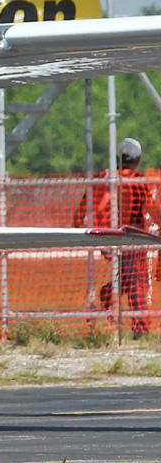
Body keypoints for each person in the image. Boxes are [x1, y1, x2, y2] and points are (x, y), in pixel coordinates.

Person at [72, 137, 161, 336]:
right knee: (138, 281)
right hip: (132, 236)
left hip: (106, 235)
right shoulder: (138, 181)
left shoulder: (103, 177)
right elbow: (153, 209)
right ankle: (141, 326)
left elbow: (83, 205)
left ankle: (108, 296)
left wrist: (76, 227)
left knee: (126, 276)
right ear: (138, 159)